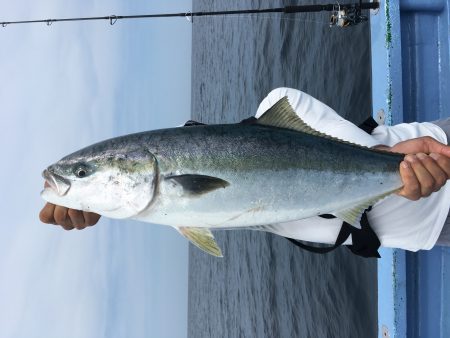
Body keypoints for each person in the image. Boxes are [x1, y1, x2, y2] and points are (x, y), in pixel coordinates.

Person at [39, 88, 450, 251]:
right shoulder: (237, 215)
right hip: (432, 233)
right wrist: (91, 201)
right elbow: (139, 198)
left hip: (438, 150)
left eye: (82, 173)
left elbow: (368, 155)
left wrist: (396, 165)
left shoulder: (282, 104)